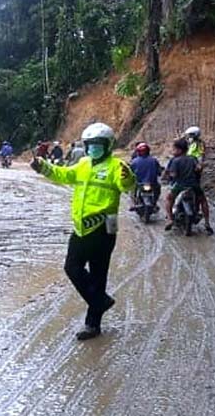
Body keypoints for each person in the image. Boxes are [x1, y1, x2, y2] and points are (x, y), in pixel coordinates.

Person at [30, 122, 136, 341]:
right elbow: (63, 175)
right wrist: (43, 167)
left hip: (102, 228)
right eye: (91, 144)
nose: (94, 148)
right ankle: (100, 301)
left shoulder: (116, 166)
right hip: (80, 226)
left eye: (98, 144)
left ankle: (92, 325)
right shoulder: (83, 164)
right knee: (72, 267)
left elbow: (127, 186)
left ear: (107, 145)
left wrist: (127, 176)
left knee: (98, 275)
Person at [164, 138, 213, 234]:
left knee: (169, 199)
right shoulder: (193, 158)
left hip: (180, 185)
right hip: (194, 185)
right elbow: (198, 169)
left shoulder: (175, 161)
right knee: (203, 200)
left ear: (179, 150)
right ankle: (207, 222)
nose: (173, 151)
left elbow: (173, 175)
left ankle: (169, 219)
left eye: (174, 149)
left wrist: (168, 176)